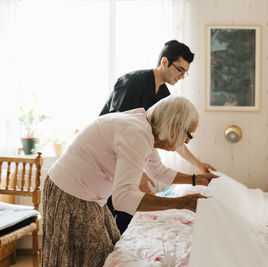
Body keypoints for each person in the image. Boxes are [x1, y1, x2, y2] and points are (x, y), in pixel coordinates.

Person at [42, 95, 218, 267]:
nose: (186, 141)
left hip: (86, 193)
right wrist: (182, 202)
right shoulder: (138, 135)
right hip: (69, 192)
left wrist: (196, 179)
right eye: (188, 134)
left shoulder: (145, 129)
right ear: (173, 125)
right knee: (92, 257)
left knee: (107, 248)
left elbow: (157, 171)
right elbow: (123, 199)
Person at [100, 40, 216, 233]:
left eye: (185, 72)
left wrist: (198, 165)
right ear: (164, 62)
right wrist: (140, 174)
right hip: (109, 154)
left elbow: (174, 137)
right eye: (180, 70)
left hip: (129, 157)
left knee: (124, 215)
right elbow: (120, 126)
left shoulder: (163, 95)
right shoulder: (133, 82)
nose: (182, 76)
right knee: (117, 211)